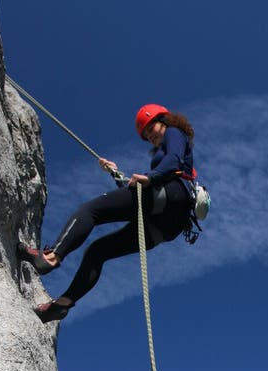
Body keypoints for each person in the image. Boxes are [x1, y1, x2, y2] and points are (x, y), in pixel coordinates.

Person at [18, 104, 195, 323]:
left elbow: (174, 160)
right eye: (146, 134)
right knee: (97, 251)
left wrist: (152, 177)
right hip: (162, 225)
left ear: (164, 120)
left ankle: (51, 257)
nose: (150, 136)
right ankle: (62, 304)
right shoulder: (161, 159)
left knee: (91, 210)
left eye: (151, 128)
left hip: (171, 196)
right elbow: (132, 198)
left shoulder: (174, 133)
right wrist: (116, 173)